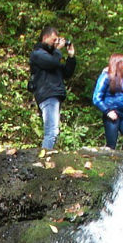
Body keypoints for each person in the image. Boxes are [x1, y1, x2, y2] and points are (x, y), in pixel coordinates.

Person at [29, 26, 77, 156]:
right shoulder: (38, 53)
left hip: (54, 94)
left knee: (52, 130)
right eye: (54, 39)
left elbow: (66, 72)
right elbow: (51, 63)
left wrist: (71, 57)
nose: (56, 42)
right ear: (45, 37)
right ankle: (44, 159)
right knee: (52, 131)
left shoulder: (52, 56)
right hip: (47, 94)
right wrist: (57, 50)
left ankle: (45, 156)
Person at [92, 54, 123, 151]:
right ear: (117, 63)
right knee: (111, 144)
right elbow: (97, 98)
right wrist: (108, 111)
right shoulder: (105, 77)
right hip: (112, 114)